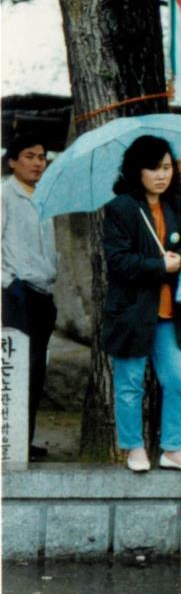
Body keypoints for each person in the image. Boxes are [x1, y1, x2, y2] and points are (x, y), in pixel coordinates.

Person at [102, 136, 181, 474]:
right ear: (136, 170)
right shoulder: (121, 208)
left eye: (167, 167)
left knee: (180, 380)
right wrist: (160, 266)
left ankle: (172, 448)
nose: (162, 175)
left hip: (171, 313)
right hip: (132, 311)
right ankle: (134, 447)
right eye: (154, 168)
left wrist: (179, 257)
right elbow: (119, 262)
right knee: (130, 384)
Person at [1, 133, 57, 458]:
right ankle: (8, 441)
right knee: (12, 369)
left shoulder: (45, 196)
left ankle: (23, 439)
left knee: (36, 369)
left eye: (42, 156)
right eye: (30, 156)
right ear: (12, 161)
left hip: (43, 292)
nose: (38, 163)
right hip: (15, 292)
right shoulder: (4, 195)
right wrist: (8, 284)